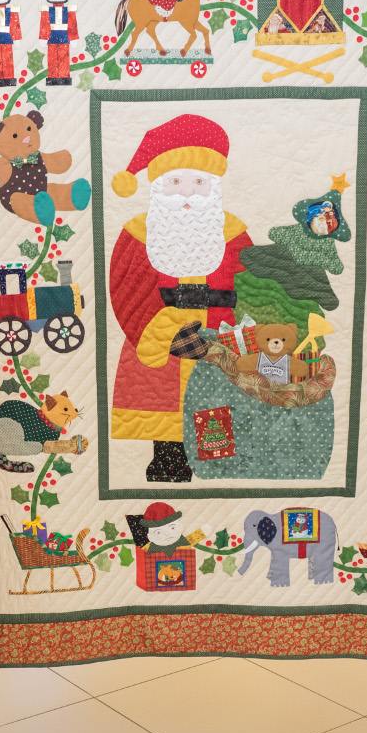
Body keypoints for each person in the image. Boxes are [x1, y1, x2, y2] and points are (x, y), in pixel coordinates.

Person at [107, 114, 252, 481]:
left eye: (199, 182)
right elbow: (127, 290)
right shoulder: (137, 235)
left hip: (217, 337)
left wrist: (234, 335)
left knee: (215, 409)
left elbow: (251, 288)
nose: (187, 192)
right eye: (174, 181)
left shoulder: (233, 233)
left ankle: (215, 466)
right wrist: (160, 334)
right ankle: (167, 462)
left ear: (214, 185)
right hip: (158, 342)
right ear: (157, 185)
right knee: (159, 409)